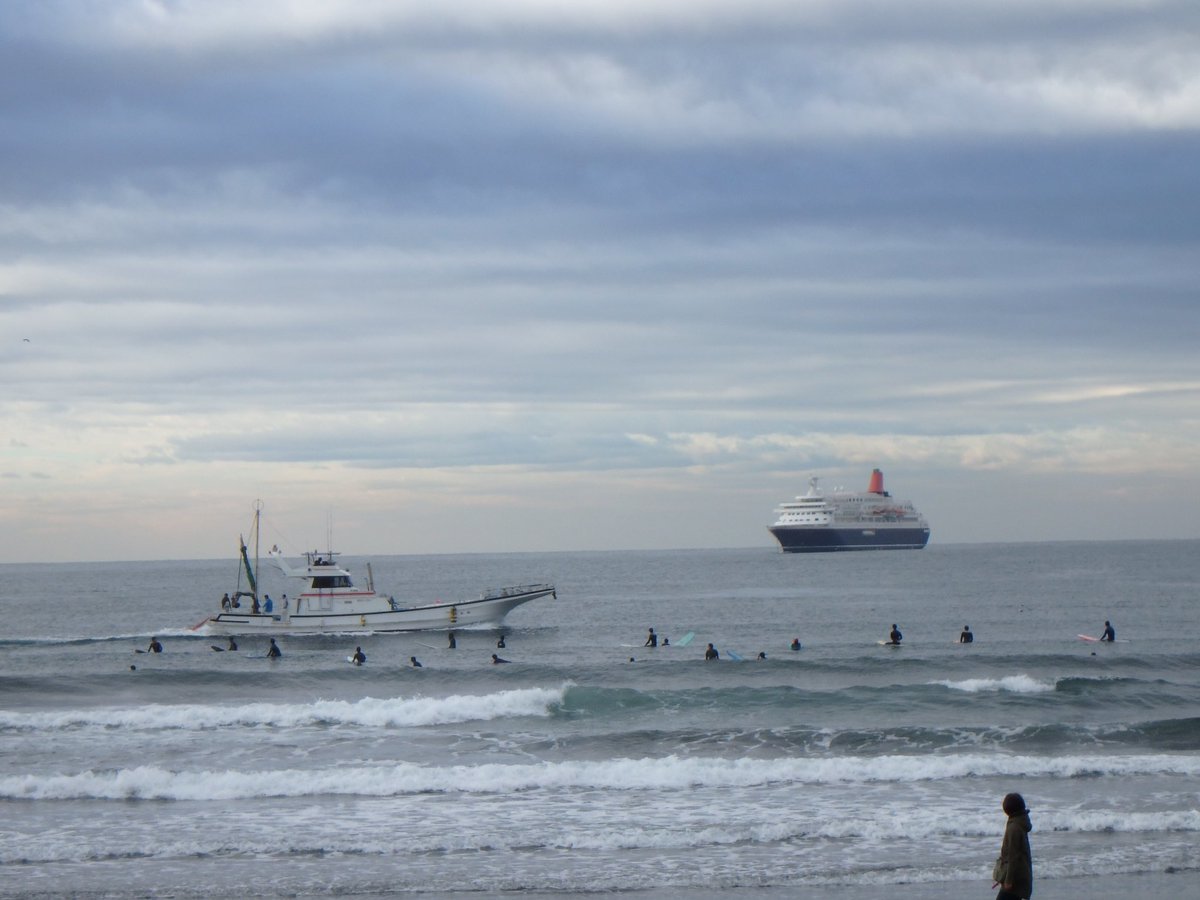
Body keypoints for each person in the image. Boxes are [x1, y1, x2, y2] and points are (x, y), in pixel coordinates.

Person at [992, 792, 1033, 900]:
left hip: (1015, 880)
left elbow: (1013, 857)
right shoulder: (1020, 822)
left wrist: (1008, 881)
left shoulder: (1013, 828)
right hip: (1020, 876)